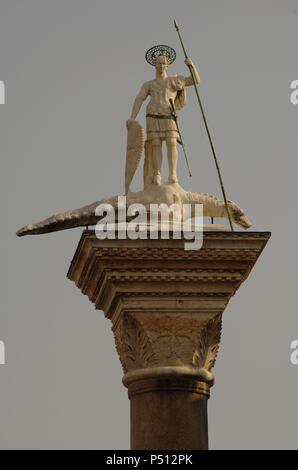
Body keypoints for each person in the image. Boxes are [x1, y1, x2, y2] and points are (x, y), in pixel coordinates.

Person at [127, 48, 200, 186]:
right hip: (153, 115)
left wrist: (191, 66)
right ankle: (157, 174)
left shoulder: (174, 81)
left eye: (163, 63)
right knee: (155, 145)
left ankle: (173, 174)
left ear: (167, 65)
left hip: (168, 114)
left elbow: (195, 80)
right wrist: (132, 117)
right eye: (158, 63)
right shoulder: (149, 84)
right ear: (154, 65)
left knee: (172, 142)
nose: (160, 66)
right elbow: (139, 99)